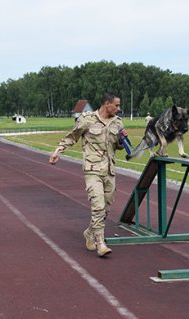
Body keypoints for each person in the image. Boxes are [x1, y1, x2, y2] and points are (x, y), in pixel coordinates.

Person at [49, 93, 128, 257]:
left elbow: (119, 147)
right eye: (116, 105)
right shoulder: (87, 119)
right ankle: (101, 243)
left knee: (105, 209)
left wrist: (122, 139)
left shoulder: (118, 122)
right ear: (107, 104)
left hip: (110, 171)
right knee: (98, 206)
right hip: (92, 169)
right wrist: (58, 150)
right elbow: (73, 136)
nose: (119, 109)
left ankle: (89, 233)